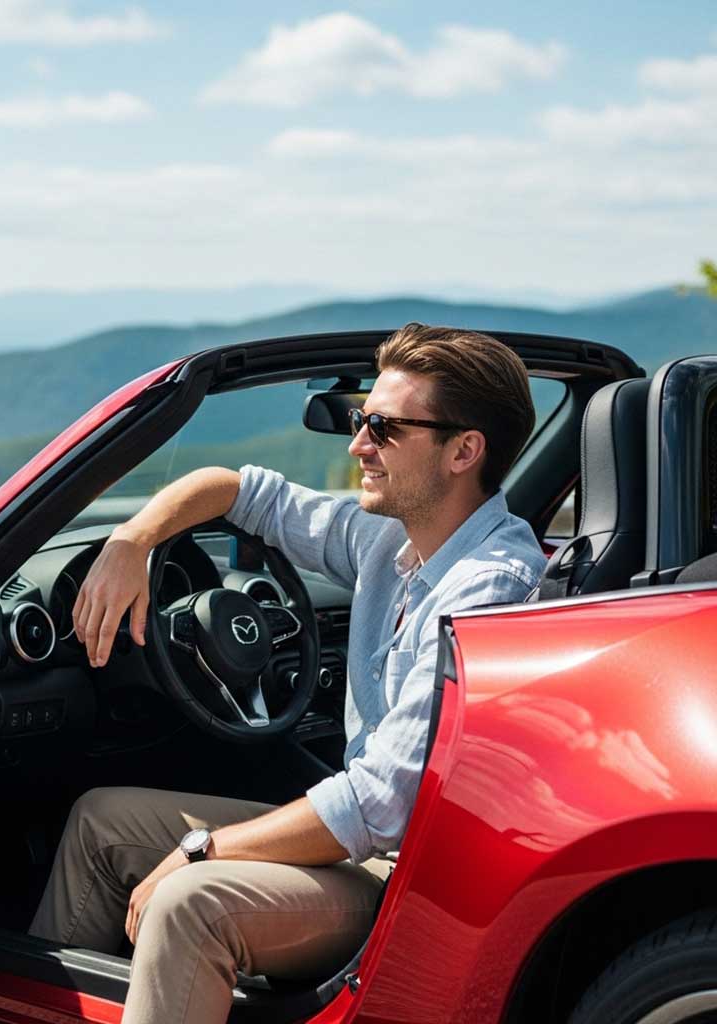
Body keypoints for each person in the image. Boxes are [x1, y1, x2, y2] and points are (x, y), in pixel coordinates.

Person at [29, 323, 548, 1024]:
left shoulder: (488, 589)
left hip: (415, 877)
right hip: (369, 846)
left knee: (188, 900)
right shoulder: (392, 538)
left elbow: (381, 804)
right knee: (99, 822)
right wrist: (132, 540)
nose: (358, 445)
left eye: (385, 428)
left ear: (464, 451)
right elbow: (240, 491)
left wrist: (200, 852)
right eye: (362, 421)